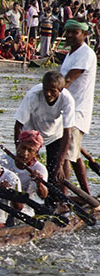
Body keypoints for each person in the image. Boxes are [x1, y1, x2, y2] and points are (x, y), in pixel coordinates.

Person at [14, 70, 75, 185]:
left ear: (61, 90)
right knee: (25, 166)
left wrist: (60, 164)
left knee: (53, 171)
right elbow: (18, 125)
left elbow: (67, 133)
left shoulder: (67, 100)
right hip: (32, 134)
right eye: (45, 89)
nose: (48, 94)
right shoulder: (33, 95)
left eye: (52, 91)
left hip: (55, 134)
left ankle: (53, 201)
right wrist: (19, 152)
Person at [58, 19, 96, 194]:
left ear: (85, 34)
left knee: (65, 155)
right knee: (74, 156)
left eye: (76, 32)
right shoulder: (71, 54)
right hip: (67, 111)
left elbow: (67, 80)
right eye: (69, 32)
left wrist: (47, 96)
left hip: (76, 111)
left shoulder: (85, 54)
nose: (71, 36)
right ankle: (87, 194)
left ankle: (63, 199)